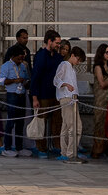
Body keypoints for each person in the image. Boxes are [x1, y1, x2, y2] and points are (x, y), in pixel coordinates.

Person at [30, 30, 62, 158]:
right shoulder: (41, 56)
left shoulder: (57, 56)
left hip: (55, 95)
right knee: (41, 123)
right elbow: (35, 77)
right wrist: (34, 97)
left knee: (57, 123)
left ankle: (57, 146)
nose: (58, 45)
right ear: (49, 41)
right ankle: (41, 148)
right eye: (57, 43)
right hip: (42, 95)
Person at [54, 46, 87, 163]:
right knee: (74, 126)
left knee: (67, 126)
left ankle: (65, 152)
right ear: (72, 55)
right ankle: (70, 153)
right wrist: (65, 85)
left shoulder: (71, 68)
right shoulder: (64, 65)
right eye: (78, 59)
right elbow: (56, 79)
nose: (78, 63)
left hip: (71, 99)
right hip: (66, 98)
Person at [0, 44, 28, 157]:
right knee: (10, 122)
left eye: (22, 58)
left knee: (20, 122)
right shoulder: (6, 66)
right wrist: (15, 80)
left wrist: (25, 81)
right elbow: (1, 81)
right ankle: (7, 147)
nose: (21, 60)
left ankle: (19, 147)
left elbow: (26, 78)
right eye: (19, 58)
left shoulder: (23, 66)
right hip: (12, 95)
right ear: (13, 56)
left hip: (21, 95)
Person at [90, 44, 108, 157]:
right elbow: (102, 84)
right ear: (101, 53)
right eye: (107, 52)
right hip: (101, 99)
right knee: (100, 125)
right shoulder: (98, 67)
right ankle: (97, 150)